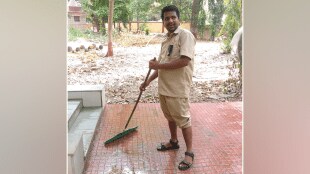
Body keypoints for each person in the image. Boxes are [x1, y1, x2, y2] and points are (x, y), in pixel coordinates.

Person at [139, 5, 196, 171]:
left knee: (183, 120)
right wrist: (147, 81)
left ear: (179, 19)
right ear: (163, 21)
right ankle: (173, 141)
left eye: (173, 17)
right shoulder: (166, 39)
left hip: (178, 89)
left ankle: (190, 152)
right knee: (170, 117)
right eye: (166, 18)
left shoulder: (185, 36)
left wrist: (158, 64)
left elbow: (184, 61)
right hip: (164, 88)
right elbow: (162, 66)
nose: (170, 21)